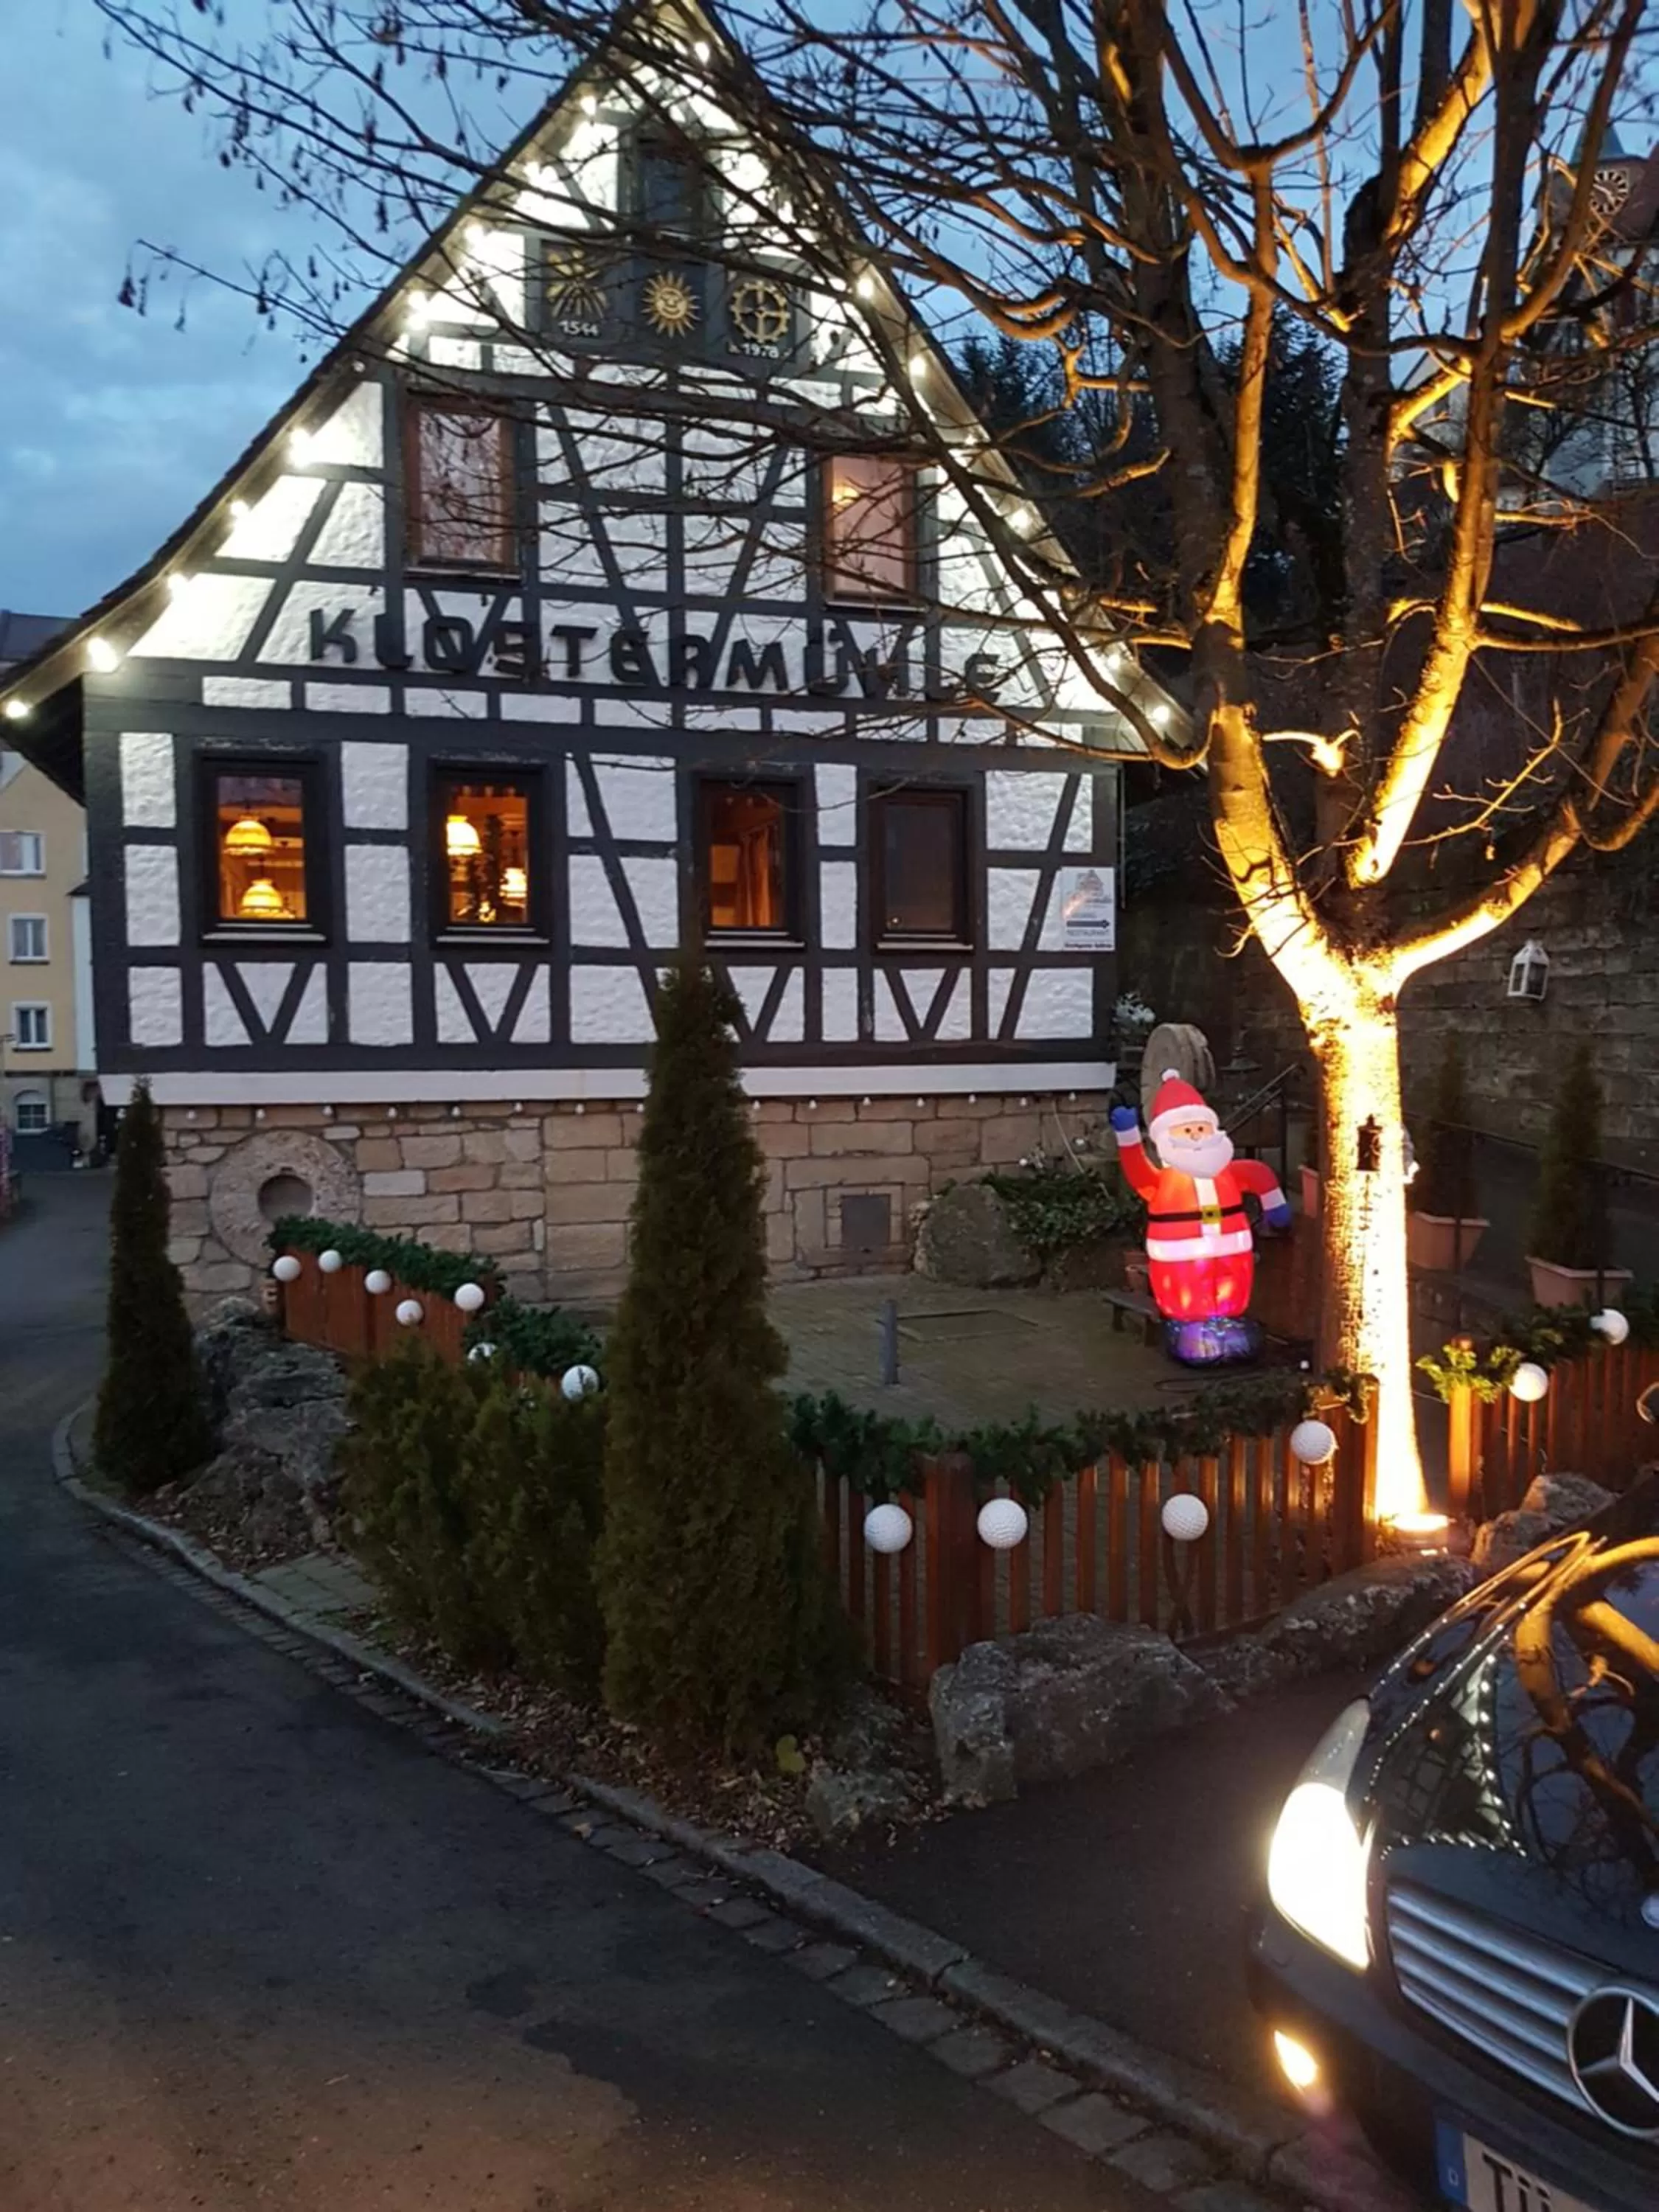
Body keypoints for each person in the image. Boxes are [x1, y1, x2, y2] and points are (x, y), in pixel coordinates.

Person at [1110, 1071, 1291, 1366]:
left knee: (1232, 1282)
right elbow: (1138, 1174)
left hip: (1231, 1248)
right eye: (1186, 1130)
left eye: (1200, 1128)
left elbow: (1258, 1174)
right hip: (1180, 1254)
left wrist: (1274, 1204)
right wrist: (1128, 1137)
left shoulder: (1228, 1172)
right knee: (1188, 1288)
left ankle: (1232, 1325)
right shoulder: (1164, 1181)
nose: (1195, 1136)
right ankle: (1188, 1328)